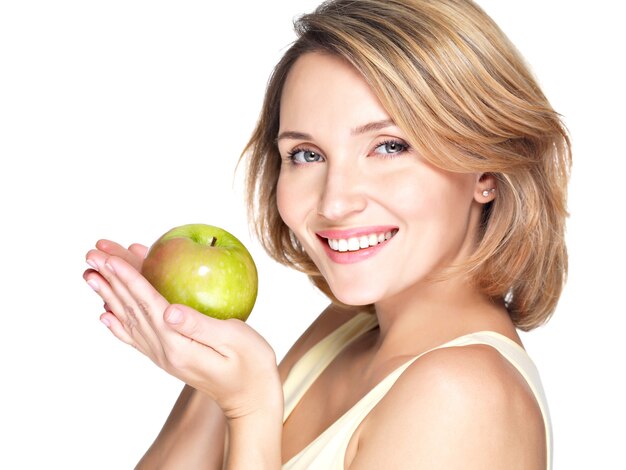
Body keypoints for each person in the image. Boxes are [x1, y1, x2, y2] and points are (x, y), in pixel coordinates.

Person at [83, 0, 570, 468]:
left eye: (388, 146)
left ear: (486, 170)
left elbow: (248, 411)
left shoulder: (462, 395)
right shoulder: (345, 327)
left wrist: (249, 409)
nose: (335, 202)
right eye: (307, 155)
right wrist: (204, 358)